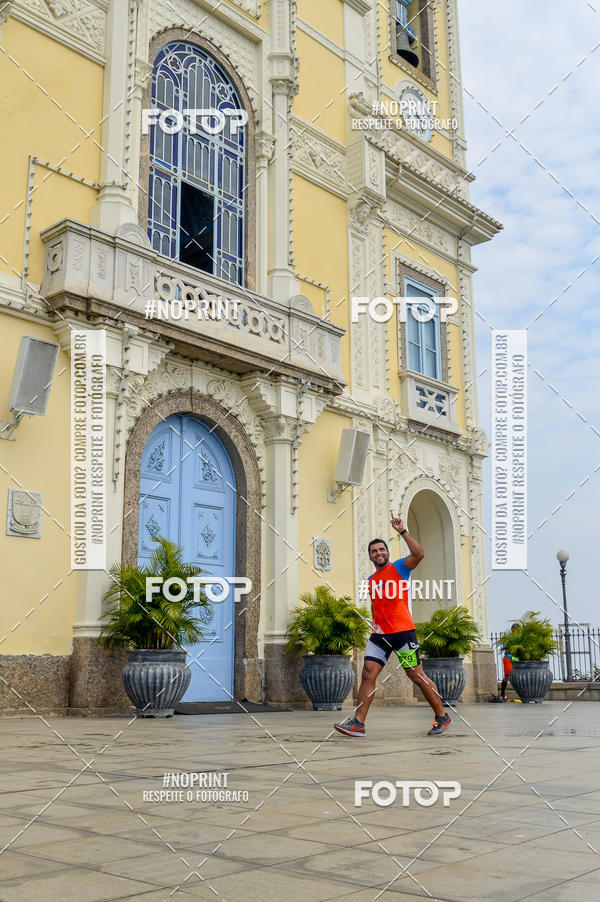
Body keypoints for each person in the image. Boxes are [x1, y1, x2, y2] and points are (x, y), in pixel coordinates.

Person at [334, 512, 451, 738]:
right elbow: (376, 608)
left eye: (381, 549)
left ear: (387, 552)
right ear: (370, 556)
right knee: (368, 674)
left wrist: (402, 531)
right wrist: (375, 627)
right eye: (374, 551)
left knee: (415, 675)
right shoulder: (370, 581)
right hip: (380, 636)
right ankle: (358, 724)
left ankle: (442, 716)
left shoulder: (400, 567)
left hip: (403, 634)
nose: (378, 553)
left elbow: (419, 553)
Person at [499, 623, 519, 701]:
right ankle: (502, 694)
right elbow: (506, 649)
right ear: (512, 629)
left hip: (516, 658)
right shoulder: (507, 637)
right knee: (507, 676)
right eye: (516, 630)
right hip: (508, 658)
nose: (517, 632)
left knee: (518, 676)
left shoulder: (519, 638)